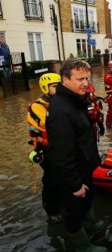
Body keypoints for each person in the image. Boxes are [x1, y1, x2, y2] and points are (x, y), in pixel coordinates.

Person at [46, 59, 109, 252]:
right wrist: (74, 184)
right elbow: (61, 154)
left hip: (84, 166)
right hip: (75, 174)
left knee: (84, 204)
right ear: (65, 79)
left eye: (87, 78)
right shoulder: (61, 110)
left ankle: (88, 226)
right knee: (74, 209)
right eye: (80, 79)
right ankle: (80, 245)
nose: (85, 83)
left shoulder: (74, 100)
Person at [27, 73, 63, 224]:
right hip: (46, 149)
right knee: (51, 180)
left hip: (60, 148)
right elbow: (50, 126)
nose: (58, 89)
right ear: (45, 88)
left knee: (62, 178)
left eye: (59, 86)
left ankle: (62, 204)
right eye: (55, 86)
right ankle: (52, 210)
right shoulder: (37, 106)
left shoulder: (61, 102)